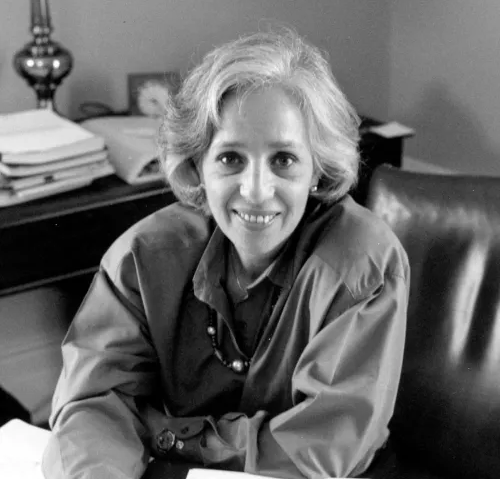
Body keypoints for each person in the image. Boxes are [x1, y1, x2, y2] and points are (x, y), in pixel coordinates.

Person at [42, 28, 409, 479]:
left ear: (318, 168)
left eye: (284, 160)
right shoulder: (143, 257)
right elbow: (93, 404)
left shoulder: (362, 266)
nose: (256, 192)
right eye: (231, 158)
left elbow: (318, 453)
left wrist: (167, 435)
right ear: (198, 165)